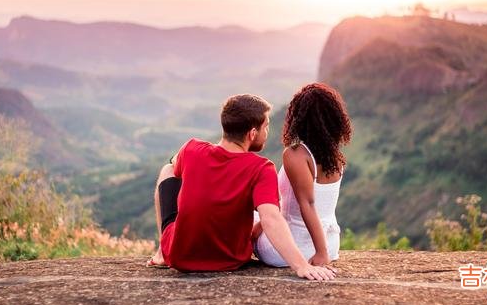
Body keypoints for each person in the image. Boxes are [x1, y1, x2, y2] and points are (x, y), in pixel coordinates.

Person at [147, 93, 336, 281]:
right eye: (266, 127)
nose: (267, 133)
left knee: (168, 170)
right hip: (231, 259)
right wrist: (301, 265)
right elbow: (271, 218)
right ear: (252, 134)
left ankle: (163, 252)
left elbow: (174, 166)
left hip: (180, 257)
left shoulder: (191, 149)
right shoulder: (261, 168)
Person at [253, 83, 352, 267]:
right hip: (331, 246)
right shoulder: (335, 158)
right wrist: (325, 251)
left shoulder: (295, 155)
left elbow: (307, 203)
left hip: (290, 250)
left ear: (299, 118)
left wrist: (320, 254)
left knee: (253, 215)